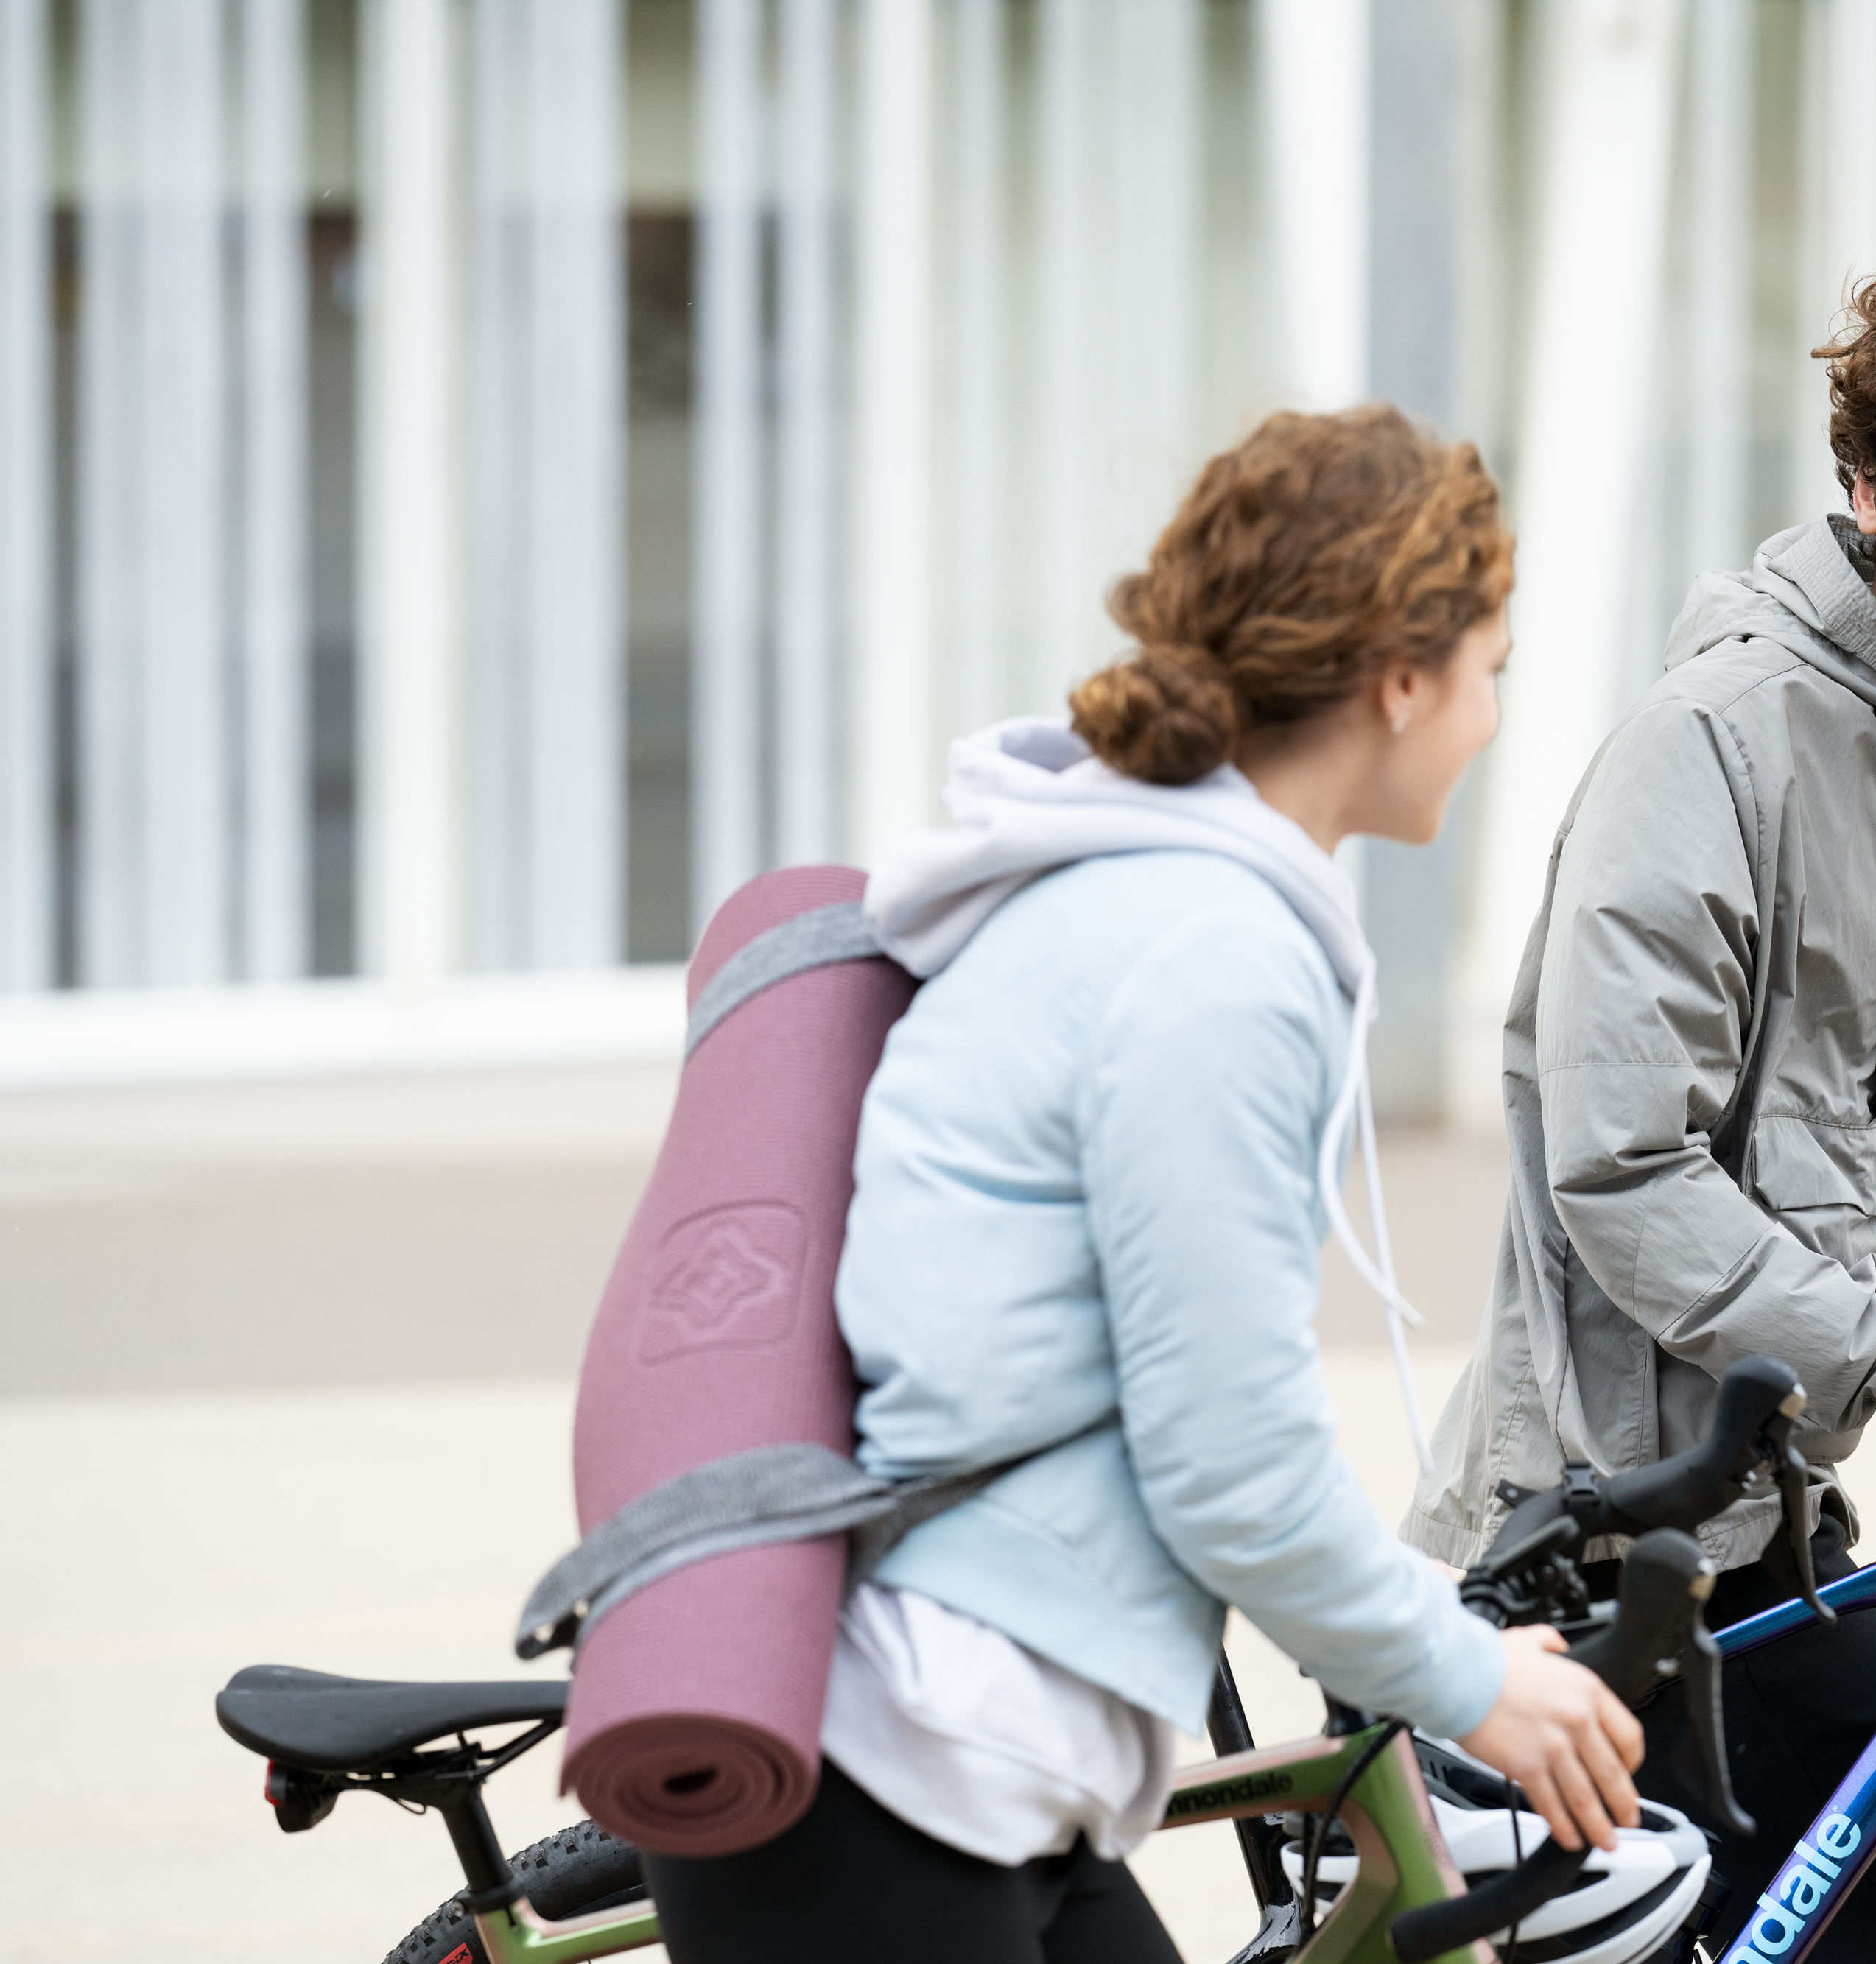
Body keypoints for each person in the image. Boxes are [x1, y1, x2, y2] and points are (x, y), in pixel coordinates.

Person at [642, 406, 1645, 1963]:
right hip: (901, 1768)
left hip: (974, 1767)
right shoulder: (1209, 958)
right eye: (1487, 666)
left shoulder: (1142, 897)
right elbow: (1231, 1469)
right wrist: (1468, 1678)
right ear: (1400, 677)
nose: (1491, 714)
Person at [1403, 228, 1876, 1964]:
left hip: (1774, 1522)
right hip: (1592, 1539)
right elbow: (1622, 1173)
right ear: (1861, 487)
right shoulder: (1712, 743)